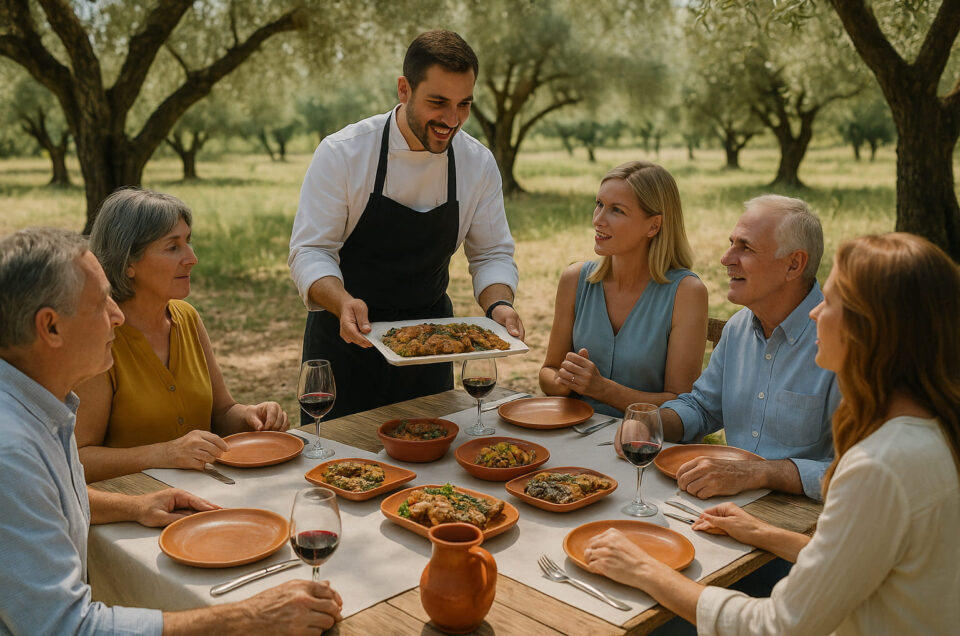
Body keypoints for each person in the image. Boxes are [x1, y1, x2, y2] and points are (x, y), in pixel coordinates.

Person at [584, 232, 960, 635]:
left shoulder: (879, 467)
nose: (816, 314)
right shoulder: (929, 434)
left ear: (874, 331)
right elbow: (852, 556)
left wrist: (645, 569)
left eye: (831, 303)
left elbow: (777, 626)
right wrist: (761, 532)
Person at [0, 228, 342, 635]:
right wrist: (250, 617)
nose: (117, 314)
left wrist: (133, 506)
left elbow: (45, 497)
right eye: (100, 303)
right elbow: (67, 628)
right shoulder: (12, 449)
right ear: (50, 328)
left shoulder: (36, 409)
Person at [289, 30, 522, 421]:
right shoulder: (344, 153)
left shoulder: (476, 163)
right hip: (345, 342)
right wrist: (343, 303)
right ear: (404, 89)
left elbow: (492, 252)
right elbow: (311, 251)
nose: (452, 119)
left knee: (430, 468)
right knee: (343, 469)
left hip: (431, 345)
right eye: (438, 102)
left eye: (464, 104)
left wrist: (499, 305)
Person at [74, 188, 290, 483]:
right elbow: (80, 459)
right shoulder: (101, 337)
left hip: (204, 496)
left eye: (188, 242)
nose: (192, 258)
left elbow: (222, 412)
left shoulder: (187, 318)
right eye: (172, 247)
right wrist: (164, 454)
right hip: (134, 512)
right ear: (128, 263)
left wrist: (252, 416)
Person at [657, 195, 840, 501]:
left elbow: (857, 473)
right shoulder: (739, 328)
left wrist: (760, 473)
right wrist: (654, 423)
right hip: (727, 503)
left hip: (802, 521)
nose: (726, 258)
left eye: (746, 247)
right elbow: (703, 407)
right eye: (731, 243)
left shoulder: (841, 342)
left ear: (794, 264)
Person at [539, 161, 708, 416]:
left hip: (645, 446)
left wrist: (602, 389)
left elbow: (682, 406)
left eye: (616, 210)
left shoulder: (687, 292)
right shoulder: (574, 280)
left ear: (654, 225)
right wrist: (565, 381)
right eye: (599, 205)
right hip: (575, 434)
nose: (598, 220)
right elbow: (548, 371)